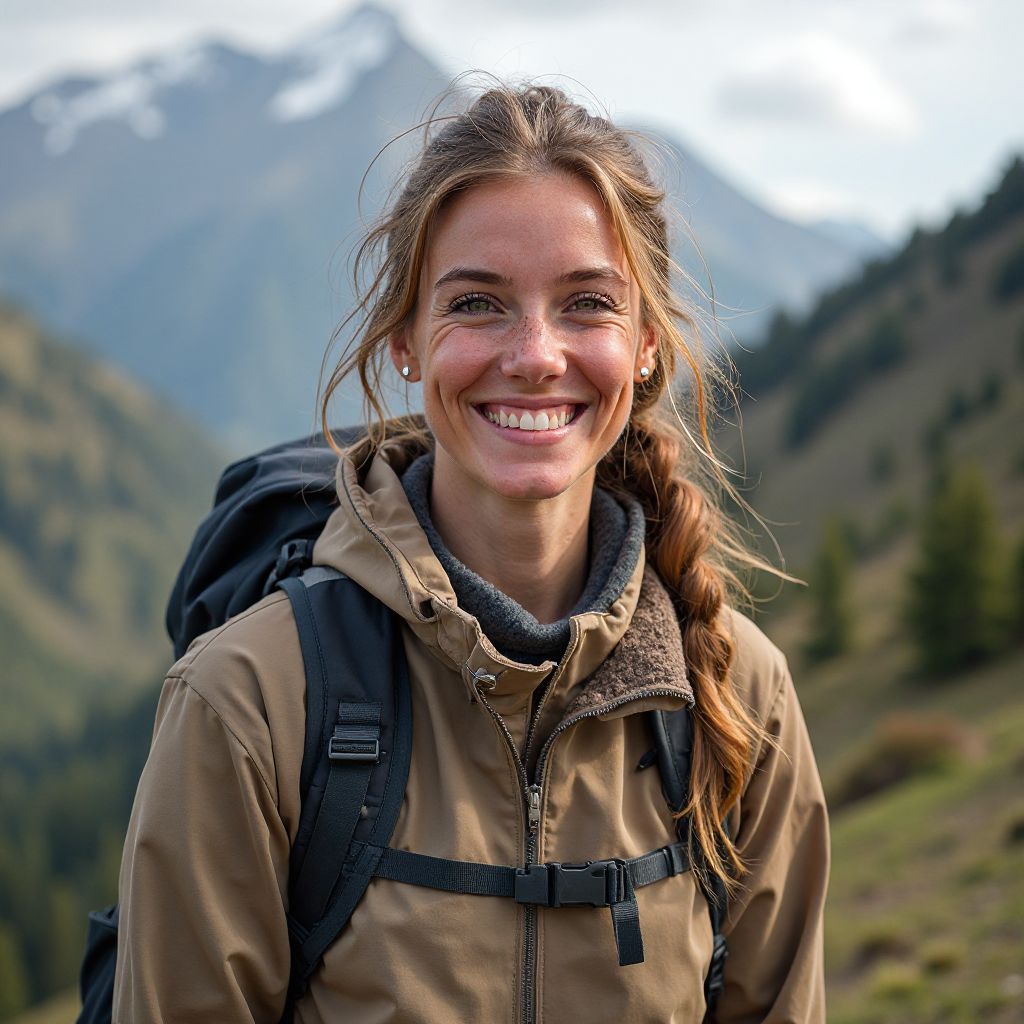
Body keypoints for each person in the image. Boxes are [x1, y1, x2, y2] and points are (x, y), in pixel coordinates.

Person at [113, 84, 829, 1022]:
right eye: (479, 303)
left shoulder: (742, 695)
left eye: (586, 304)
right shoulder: (251, 701)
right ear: (407, 340)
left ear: (645, 346)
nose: (534, 354)